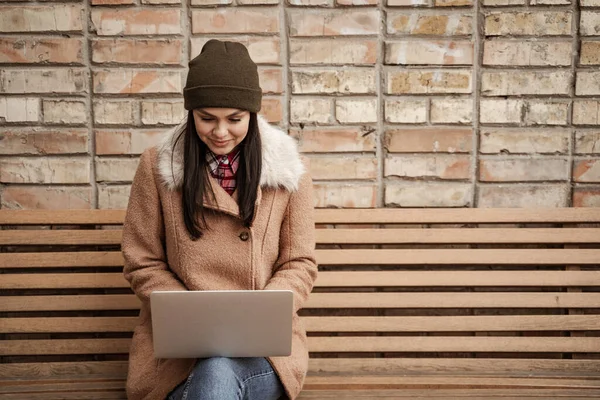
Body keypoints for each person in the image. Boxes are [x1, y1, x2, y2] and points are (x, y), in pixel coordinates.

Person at [121, 39, 318, 400]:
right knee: (212, 375)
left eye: (235, 119)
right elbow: (141, 259)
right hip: (178, 352)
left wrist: (260, 313)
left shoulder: (288, 171)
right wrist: (190, 314)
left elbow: (299, 262)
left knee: (217, 376)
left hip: (264, 353)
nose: (220, 132)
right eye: (207, 118)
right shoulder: (157, 167)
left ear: (253, 114)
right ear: (191, 112)